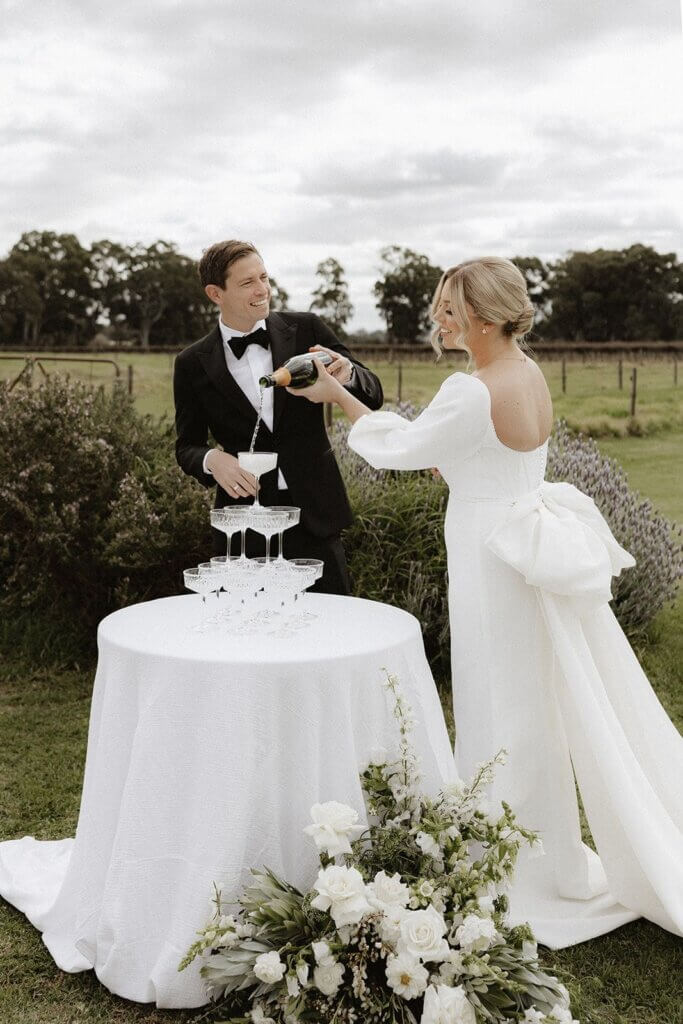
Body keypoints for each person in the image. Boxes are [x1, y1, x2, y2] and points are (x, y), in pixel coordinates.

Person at [287, 256, 683, 947]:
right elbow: (489, 453)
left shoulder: (470, 389)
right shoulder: (524, 372)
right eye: (440, 307)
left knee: (495, 698)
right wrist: (451, 454)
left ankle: (509, 864)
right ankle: (546, 857)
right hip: (519, 546)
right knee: (530, 702)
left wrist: (338, 400)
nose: (439, 320)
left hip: (489, 555)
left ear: (482, 315)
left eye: (449, 309)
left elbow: (402, 450)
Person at [173, 239, 383, 594]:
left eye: (264, 277)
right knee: (251, 636)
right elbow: (186, 446)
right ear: (215, 293)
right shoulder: (192, 363)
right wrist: (212, 460)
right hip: (244, 525)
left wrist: (346, 373)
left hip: (315, 519)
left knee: (330, 632)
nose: (262, 290)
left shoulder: (307, 330)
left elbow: (372, 393)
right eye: (247, 283)